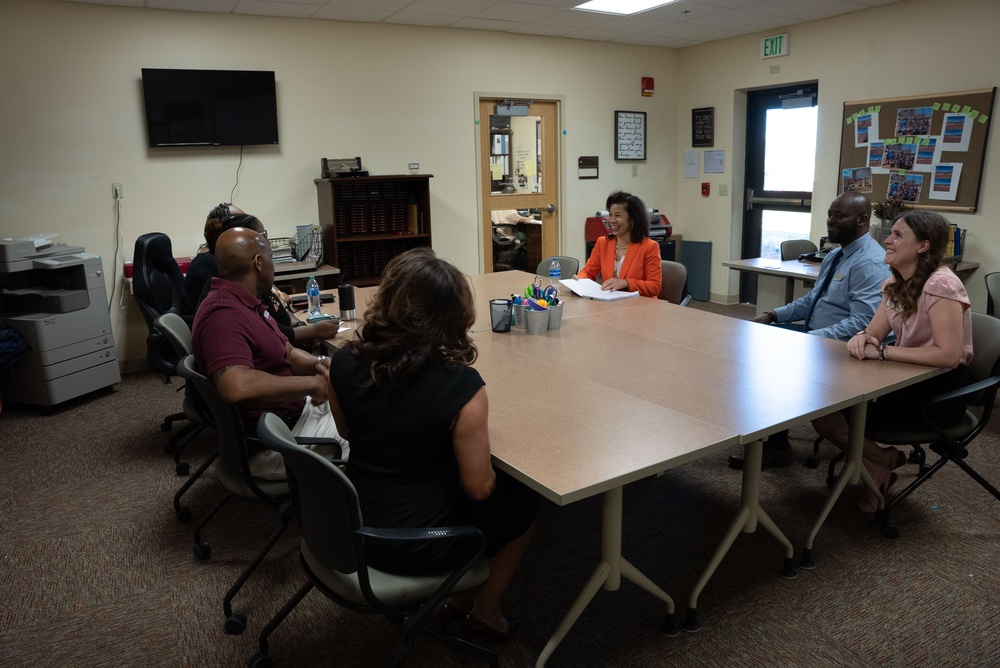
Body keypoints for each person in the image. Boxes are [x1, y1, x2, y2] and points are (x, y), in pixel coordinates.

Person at [325, 247, 539, 643]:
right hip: (416, 543)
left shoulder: (343, 361)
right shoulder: (462, 387)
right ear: (453, 315)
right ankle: (485, 614)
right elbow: (479, 488)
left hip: (351, 522)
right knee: (522, 501)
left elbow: (349, 432)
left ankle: (457, 603)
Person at [812, 210, 973, 512]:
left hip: (938, 395)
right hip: (903, 378)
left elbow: (948, 355)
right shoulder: (895, 284)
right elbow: (873, 332)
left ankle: (878, 468)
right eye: (891, 233)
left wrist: (883, 352)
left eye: (898, 235)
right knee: (823, 412)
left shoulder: (942, 285)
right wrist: (863, 336)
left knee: (836, 414)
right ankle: (880, 466)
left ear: (923, 246)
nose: (887, 239)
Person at [729, 192, 890, 470]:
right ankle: (775, 443)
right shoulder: (836, 255)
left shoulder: (869, 262)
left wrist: (803, 341)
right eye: (830, 214)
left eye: (840, 216)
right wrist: (773, 315)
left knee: (772, 370)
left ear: (863, 220)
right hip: (819, 336)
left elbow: (861, 324)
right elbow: (813, 300)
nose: (830, 221)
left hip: (844, 348)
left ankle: (776, 447)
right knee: (751, 347)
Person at [191, 227, 347, 480]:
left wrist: (318, 364)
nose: (274, 265)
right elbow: (237, 386)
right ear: (258, 263)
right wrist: (312, 385)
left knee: (361, 398)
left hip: (290, 419)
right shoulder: (223, 315)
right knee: (371, 430)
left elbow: (285, 350)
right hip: (273, 444)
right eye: (272, 258)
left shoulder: (246, 303)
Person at [183, 203, 340, 347]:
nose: (267, 244)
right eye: (262, 236)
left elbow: (279, 336)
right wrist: (311, 333)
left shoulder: (249, 286)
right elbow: (264, 335)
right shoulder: (229, 300)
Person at [575, 191, 662, 297]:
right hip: (611, 304)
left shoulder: (649, 247)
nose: (611, 220)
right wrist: (580, 279)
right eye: (610, 215)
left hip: (640, 306)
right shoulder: (602, 243)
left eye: (617, 215)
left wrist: (626, 283)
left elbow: (655, 286)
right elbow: (588, 273)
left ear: (632, 220)